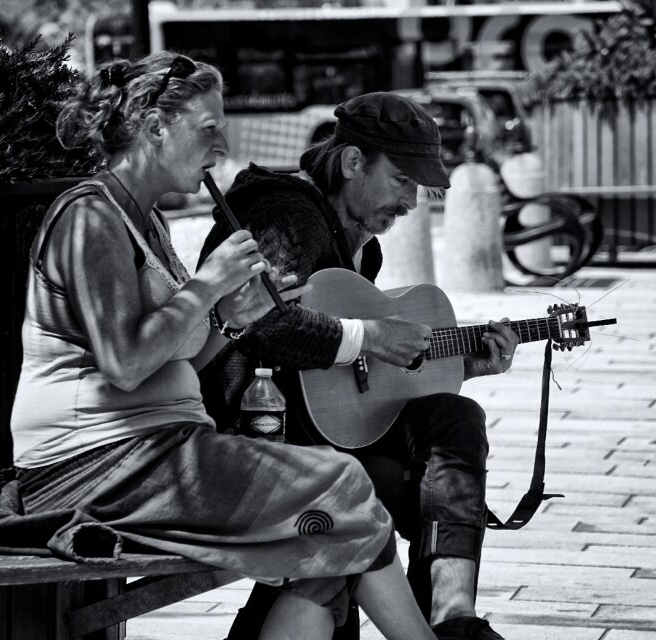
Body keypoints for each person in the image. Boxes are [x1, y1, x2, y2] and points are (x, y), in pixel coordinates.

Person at [9, 54, 440, 640]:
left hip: (154, 451)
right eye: (208, 128)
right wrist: (208, 284)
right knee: (343, 487)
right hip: (94, 464)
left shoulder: (146, 221)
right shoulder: (91, 218)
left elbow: (180, 357)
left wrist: (234, 319)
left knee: (334, 540)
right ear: (155, 127)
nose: (222, 146)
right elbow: (125, 363)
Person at [197, 92, 520, 640]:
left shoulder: (361, 246)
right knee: (393, 495)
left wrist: (463, 365)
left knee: (454, 419)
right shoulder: (285, 213)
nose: (412, 203)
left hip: (319, 427)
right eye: (402, 181)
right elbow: (267, 327)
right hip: (259, 431)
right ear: (352, 163)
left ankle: (452, 617)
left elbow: (355, 382)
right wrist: (369, 336)